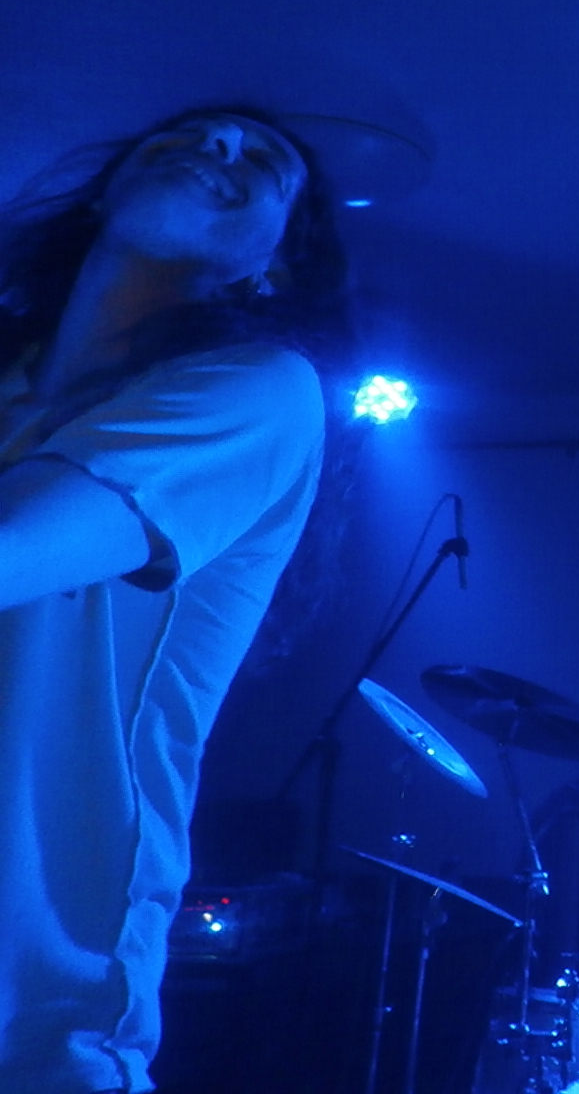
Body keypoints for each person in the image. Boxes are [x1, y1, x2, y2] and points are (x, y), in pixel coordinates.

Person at [0, 108, 353, 1094]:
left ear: (273, 266)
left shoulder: (260, 391)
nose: (219, 147)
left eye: (264, 160)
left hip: (30, 1027)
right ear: (104, 194)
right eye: (187, 134)